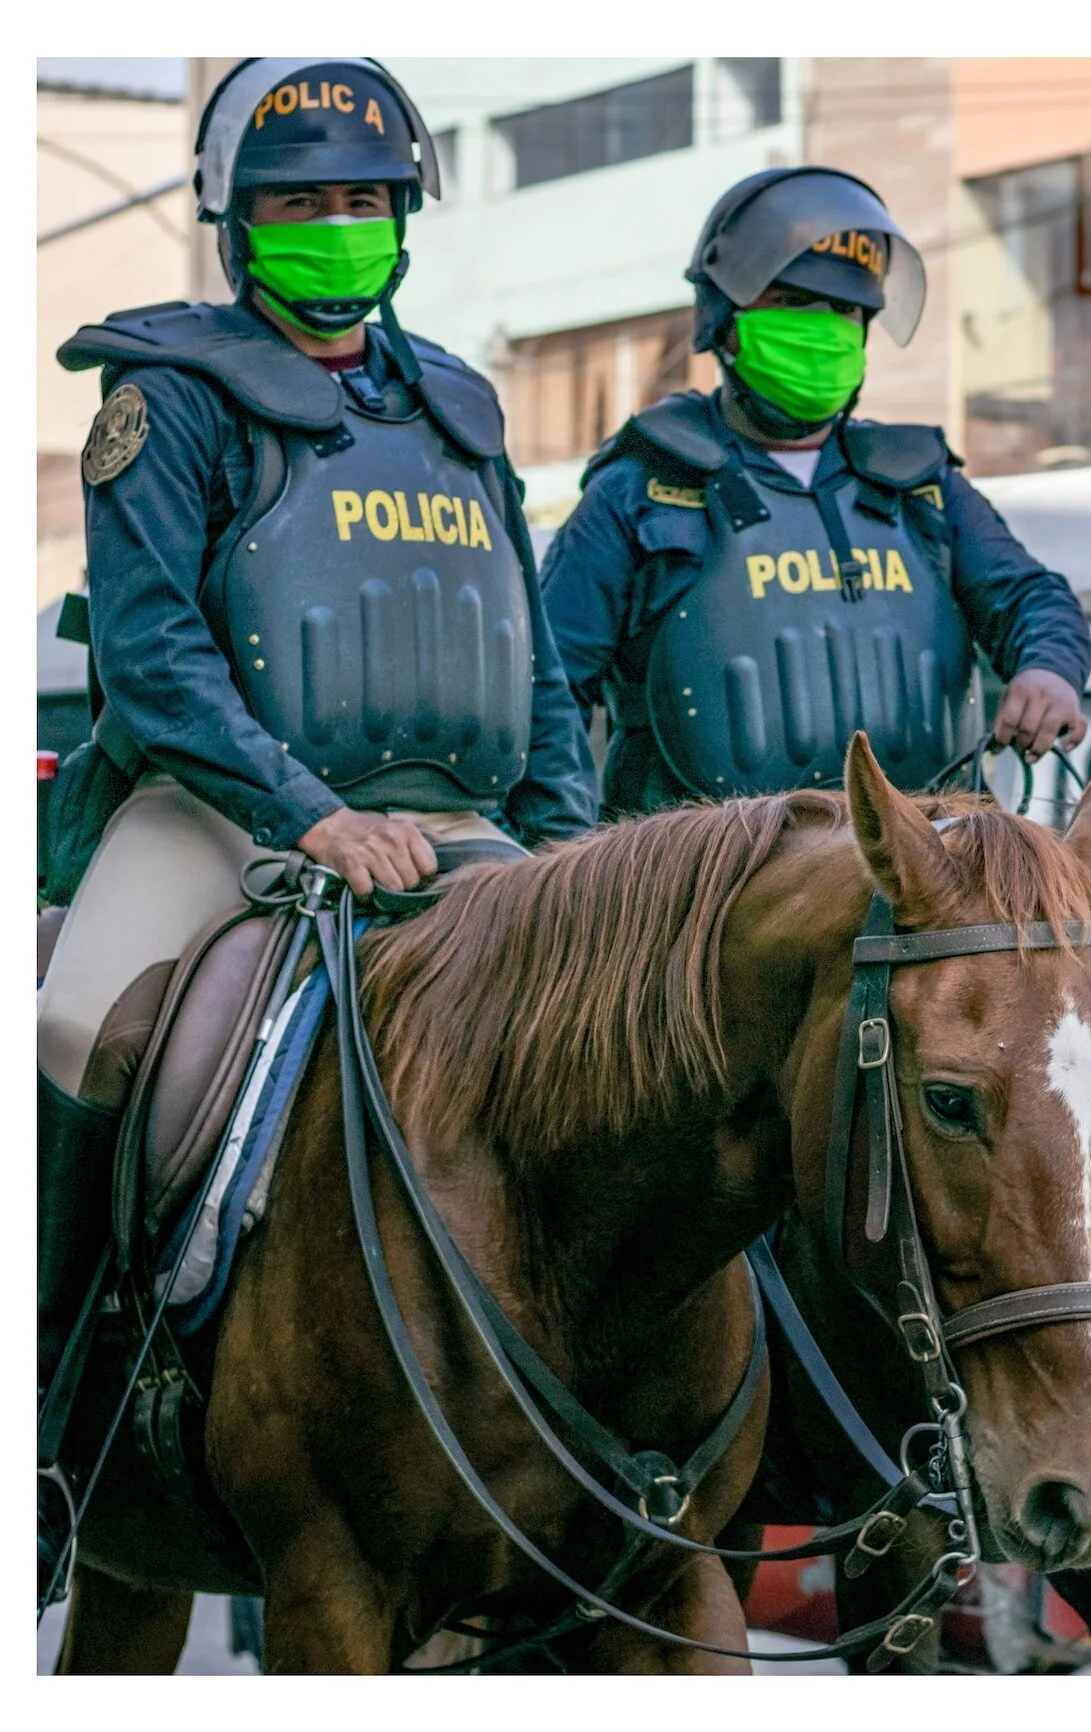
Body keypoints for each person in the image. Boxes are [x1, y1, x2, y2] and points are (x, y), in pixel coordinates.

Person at [39, 58, 597, 1381]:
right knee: (73, 1031)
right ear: (235, 224)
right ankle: (53, 1415)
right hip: (219, 813)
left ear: (406, 216)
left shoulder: (459, 406)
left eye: (364, 197)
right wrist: (315, 818)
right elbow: (155, 657)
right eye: (298, 203)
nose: (336, 224)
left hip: (453, 823)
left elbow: (533, 661)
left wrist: (572, 855)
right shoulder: (164, 398)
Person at [538, 167, 1091, 818]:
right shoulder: (642, 489)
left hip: (918, 883)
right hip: (708, 898)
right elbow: (546, 689)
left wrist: (1049, 669)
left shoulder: (920, 486)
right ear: (726, 317)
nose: (826, 327)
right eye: (796, 302)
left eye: (848, 311)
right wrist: (566, 860)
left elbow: (1032, 596)